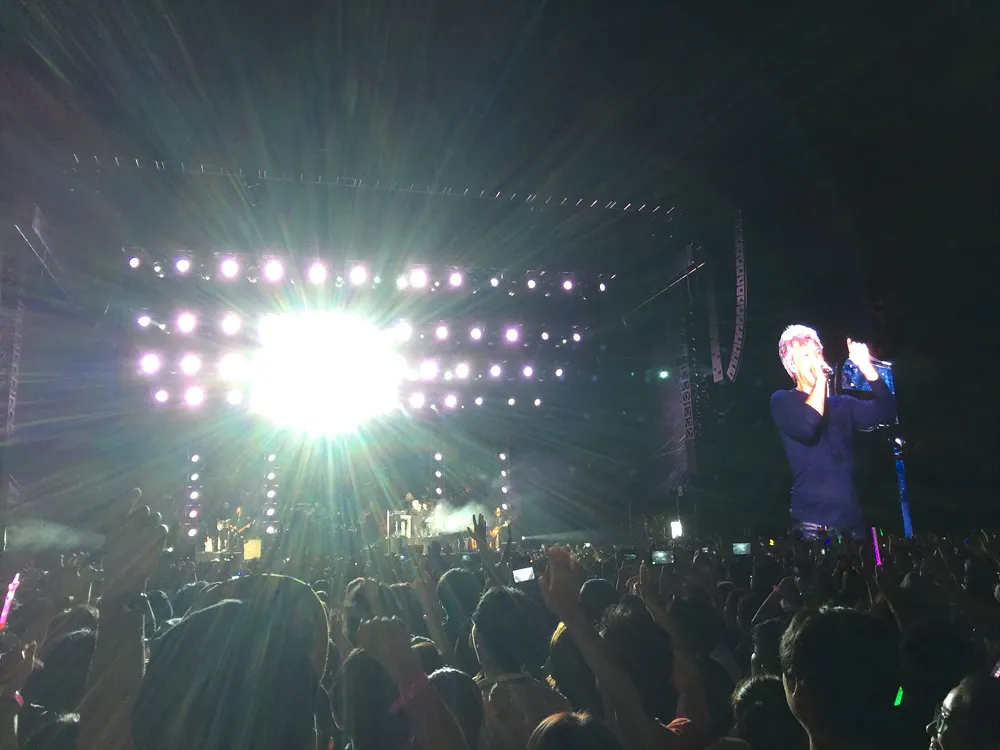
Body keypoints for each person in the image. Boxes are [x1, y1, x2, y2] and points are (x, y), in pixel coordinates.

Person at [770, 326, 895, 539]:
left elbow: (887, 411)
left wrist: (867, 368)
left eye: (817, 353)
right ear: (792, 366)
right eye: (806, 355)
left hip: (853, 522)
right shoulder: (783, 400)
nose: (816, 359)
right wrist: (821, 379)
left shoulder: (842, 404)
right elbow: (807, 426)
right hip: (813, 526)